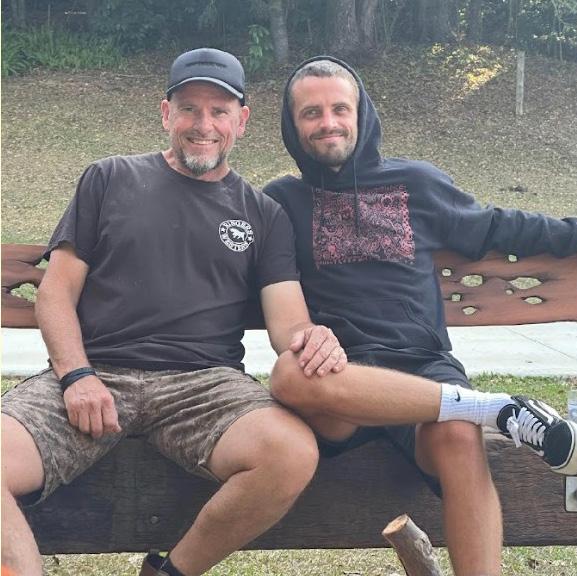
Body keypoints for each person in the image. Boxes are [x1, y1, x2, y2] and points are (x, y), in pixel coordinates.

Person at [1, 48, 350, 576]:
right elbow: (55, 293)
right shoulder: (109, 178)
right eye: (189, 108)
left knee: (291, 453)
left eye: (219, 111)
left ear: (241, 121)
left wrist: (313, 336)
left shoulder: (263, 214)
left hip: (204, 384)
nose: (203, 125)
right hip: (97, 374)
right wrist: (76, 375)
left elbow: (289, 324)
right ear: (166, 113)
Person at [263, 56, 577, 576]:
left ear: (361, 113)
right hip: (341, 378)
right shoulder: (281, 201)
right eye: (311, 113)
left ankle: (473, 415)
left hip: (424, 366)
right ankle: (493, 408)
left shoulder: (416, 183)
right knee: (289, 374)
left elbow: (499, 227)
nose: (328, 123)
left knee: (459, 436)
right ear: (292, 125)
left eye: (340, 109)